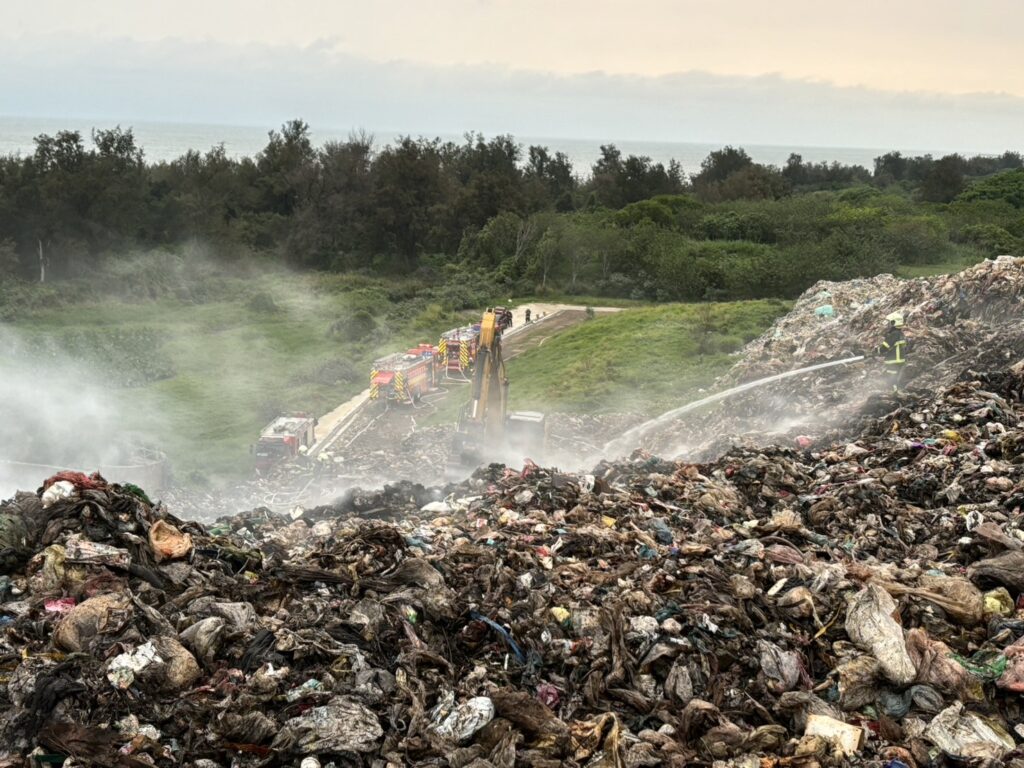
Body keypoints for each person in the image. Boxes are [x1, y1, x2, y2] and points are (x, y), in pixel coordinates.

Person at [876, 312, 907, 392]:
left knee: (892, 378)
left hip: (893, 361)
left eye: (890, 323)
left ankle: (894, 393)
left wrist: (877, 351)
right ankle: (894, 391)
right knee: (894, 377)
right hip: (900, 360)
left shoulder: (894, 334)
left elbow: (885, 348)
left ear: (894, 323)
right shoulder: (901, 334)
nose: (888, 325)